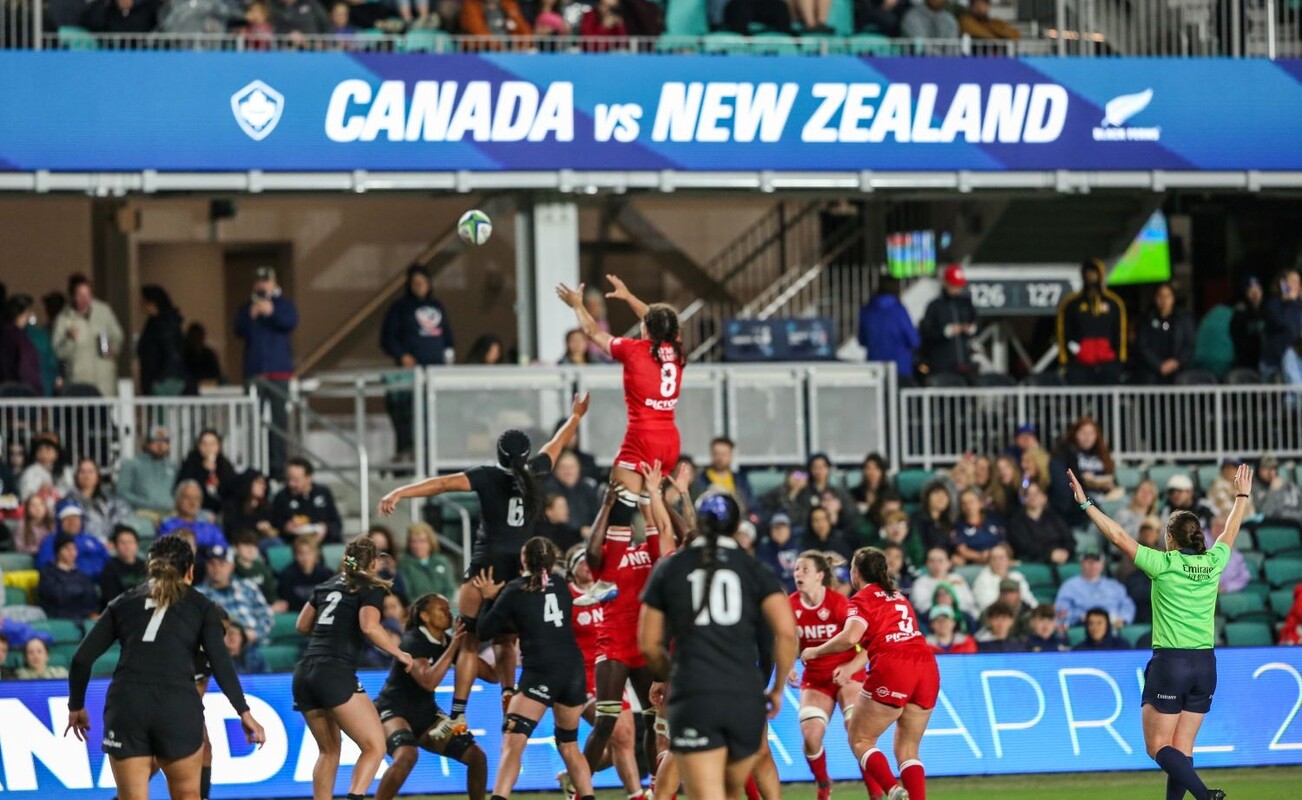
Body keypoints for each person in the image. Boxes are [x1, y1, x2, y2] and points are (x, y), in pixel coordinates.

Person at [377, 393, 588, 738]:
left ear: (500, 455)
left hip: (485, 567)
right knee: (507, 640)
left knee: (468, 640)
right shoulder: (536, 472)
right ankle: (509, 692)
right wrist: (576, 416)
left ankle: (458, 715)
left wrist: (400, 491)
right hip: (520, 570)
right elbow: (557, 444)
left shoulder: (487, 477)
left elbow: (441, 484)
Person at [1068, 463, 1252, 800]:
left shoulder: (1163, 564)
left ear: (1170, 538)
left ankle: (1205, 795)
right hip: (1205, 665)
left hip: (1171, 664)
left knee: (1157, 747)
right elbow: (1230, 531)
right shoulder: (1214, 563)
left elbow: (1119, 536)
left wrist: (1086, 503)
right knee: (1182, 749)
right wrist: (1242, 496)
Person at [65, 536, 265, 800]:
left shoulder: (123, 602)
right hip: (176, 705)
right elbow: (221, 661)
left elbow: (80, 660)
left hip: (127, 705)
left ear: (151, 568)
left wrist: (76, 706)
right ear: (190, 571)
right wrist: (243, 711)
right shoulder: (203, 607)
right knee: (187, 795)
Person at [640, 494, 797, 800]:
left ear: (698, 524)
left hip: (694, 693)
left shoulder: (671, 568)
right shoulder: (754, 569)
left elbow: (648, 642)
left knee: (707, 791)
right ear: (737, 526)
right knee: (733, 788)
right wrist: (777, 688)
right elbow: (786, 634)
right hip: (743, 692)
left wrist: (664, 676)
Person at [799, 547, 938, 800]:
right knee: (908, 750)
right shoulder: (898, 596)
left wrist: (815, 651)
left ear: (856, 572)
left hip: (895, 665)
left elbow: (851, 637)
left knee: (860, 739)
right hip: (927, 666)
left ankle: (892, 790)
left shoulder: (861, 599)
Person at [468, 536, 596, 800]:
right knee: (569, 745)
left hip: (541, 670)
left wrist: (489, 598)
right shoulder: (561, 585)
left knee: (513, 741)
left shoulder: (516, 589)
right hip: (573, 670)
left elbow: (484, 631)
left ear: (523, 559)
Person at [558, 275, 684, 535]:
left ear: (645, 328)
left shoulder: (633, 350)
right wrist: (629, 298)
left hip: (642, 437)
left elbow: (592, 332)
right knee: (651, 508)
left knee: (620, 507)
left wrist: (577, 305)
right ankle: (658, 558)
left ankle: (613, 563)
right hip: (669, 440)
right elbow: (659, 321)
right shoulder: (677, 349)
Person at [293, 536, 411, 800]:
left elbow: (301, 625)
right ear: (373, 563)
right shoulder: (371, 587)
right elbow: (369, 626)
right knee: (375, 746)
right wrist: (399, 653)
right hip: (334, 670)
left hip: (304, 672)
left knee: (328, 751)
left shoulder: (325, 585)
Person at [373, 593, 488, 800]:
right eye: (441, 609)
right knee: (407, 755)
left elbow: (492, 675)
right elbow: (428, 681)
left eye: (449, 608)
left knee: (477, 757)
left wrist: (477, 638)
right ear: (425, 616)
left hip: (426, 715)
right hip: (393, 709)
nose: (448, 613)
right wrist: (454, 646)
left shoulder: (448, 641)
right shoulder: (413, 640)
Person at [788, 551, 873, 800]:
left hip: (849, 675)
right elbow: (788, 641)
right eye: (796, 569)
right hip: (816, 679)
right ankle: (824, 784)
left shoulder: (839, 604)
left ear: (820, 576)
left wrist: (850, 668)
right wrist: (789, 665)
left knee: (856, 732)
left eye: (805, 569)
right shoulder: (791, 605)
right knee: (811, 737)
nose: (798, 574)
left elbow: (870, 645)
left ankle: (876, 793)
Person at [235, 266, 297, 479]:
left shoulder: (284, 305)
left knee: (280, 423)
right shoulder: (247, 307)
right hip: (255, 373)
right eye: (259, 281)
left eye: (266, 281)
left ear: (274, 283)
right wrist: (251, 315)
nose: (262, 285)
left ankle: (278, 468)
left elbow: (290, 322)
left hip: (279, 374)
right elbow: (238, 330)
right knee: (252, 421)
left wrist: (272, 312)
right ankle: (254, 466)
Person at [1057, 258, 1127, 385]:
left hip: (1108, 363)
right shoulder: (1071, 303)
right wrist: (1073, 354)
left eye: (1094, 273)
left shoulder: (1114, 303)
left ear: (1100, 275)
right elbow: (1063, 333)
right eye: (1088, 273)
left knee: (1108, 396)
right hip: (1079, 364)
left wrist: (1120, 359)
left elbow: (1120, 332)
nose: (1091, 276)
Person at [52, 273, 124, 397]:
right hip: (79, 380)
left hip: (105, 380)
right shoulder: (64, 318)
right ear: (72, 296)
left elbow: (117, 334)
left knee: (106, 407)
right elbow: (58, 351)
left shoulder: (104, 311)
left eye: (88, 294)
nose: (85, 299)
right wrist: (69, 339)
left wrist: (114, 348)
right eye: (80, 295)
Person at [198, 544, 274, 658]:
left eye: (221, 564)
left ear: (231, 566)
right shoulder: (198, 594)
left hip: (253, 643)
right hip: (219, 647)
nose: (216, 568)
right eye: (212, 564)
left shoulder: (248, 586)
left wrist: (254, 633)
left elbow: (267, 616)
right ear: (206, 566)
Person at [1055, 549, 1135, 628]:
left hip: (1112, 626)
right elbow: (1061, 611)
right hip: (1083, 627)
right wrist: (1078, 617)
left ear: (1102, 565)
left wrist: (1123, 619)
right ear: (1081, 564)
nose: (1092, 565)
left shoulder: (1114, 586)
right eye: (1089, 562)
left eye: (1096, 561)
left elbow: (1127, 605)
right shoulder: (1069, 586)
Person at [857, 278, 919, 378]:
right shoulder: (899, 311)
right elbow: (914, 340)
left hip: (875, 367)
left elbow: (862, 340)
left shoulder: (867, 311)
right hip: (900, 367)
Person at [1135, 283, 1196, 384]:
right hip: (1152, 372)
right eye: (1161, 296)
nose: (1164, 300)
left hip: (1178, 371)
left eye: (1168, 296)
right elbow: (1143, 346)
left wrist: (1176, 362)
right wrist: (1158, 365)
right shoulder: (1147, 320)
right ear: (1156, 298)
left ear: (1173, 298)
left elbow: (1190, 344)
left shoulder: (1183, 319)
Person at [271, 458, 343, 545]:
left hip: (324, 543)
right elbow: (275, 525)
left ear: (309, 478)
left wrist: (326, 528)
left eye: (296, 480)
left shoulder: (322, 492)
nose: (291, 484)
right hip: (294, 545)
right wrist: (286, 527)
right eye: (288, 479)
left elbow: (336, 524)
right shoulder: (282, 496)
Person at [117, 426, 179, 520]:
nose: (160, 445)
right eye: (156, 440)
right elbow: (122, 492)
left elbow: (179, 491)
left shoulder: (172, 466)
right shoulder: (132, 464)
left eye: (165, 441)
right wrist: (146, 503)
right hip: (142, 512)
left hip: (170, 513)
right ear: (147, 443)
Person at [37, 500, 110, 579]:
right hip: (66, 582)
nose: (73, 523)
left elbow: (105, 560)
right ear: (60, 522)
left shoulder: (92, 540)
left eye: (76, 518)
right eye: (68, 519)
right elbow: (45, 567)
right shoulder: (51, 542)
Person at [1008, 481, 1074, 565]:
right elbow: (1024, 547)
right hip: (1032, 563)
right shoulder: (1016, 522)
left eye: (1036, 494)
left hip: (1062, 561)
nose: (1032, 497)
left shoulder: (1055, 518)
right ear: (1024, 499)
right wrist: (1050, 554)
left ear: (1044, 497)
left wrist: (1066, 552)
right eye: (1028, 494)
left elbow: (1069, 540)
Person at [38, 532, 100, 621]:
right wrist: (79, 592)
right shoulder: (47, 573)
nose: (72, 552)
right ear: (58, 551)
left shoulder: (81, 575)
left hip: (83, 618)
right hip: (58, 619)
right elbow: (57, 596)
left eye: (74, 548)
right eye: (67, 548)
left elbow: (91, 597)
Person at [137, 285, 186, 396]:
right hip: (153, 379)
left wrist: (162, 380)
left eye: (144, 301)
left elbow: (172, 353)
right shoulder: (153, 323)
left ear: (152, 303)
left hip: (162, 382)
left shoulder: (165, 324)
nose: (141, 304)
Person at [66, 458, 130, 542]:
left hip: (108, 543)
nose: (86, 475)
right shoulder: (68, 501)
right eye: (82, 471)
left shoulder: (110, 501)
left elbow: (122, 520)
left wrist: (113, 540)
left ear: (97, 477)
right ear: (76, 476)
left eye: (90, 472)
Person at [796, 453, 863, 532]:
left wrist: (836, 512)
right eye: (815, 467)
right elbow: (801, 517)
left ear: (828, 469)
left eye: (822, 467)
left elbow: (851, 514)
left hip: (838, 531)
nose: (819, 470)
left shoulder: (839, 492)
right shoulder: (804, 493)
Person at [178, 429, 238, 517]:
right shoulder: (190, 464)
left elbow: (230, 492)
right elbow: (186, 487)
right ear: (199, 446)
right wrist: (205, 471)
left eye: (212, 444)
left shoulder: (225, 466)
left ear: (218, 446)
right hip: (198, 509)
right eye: (204, 444)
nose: (208, 448)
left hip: (220, 510)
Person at [1055, 415, 1117, 498]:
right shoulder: (1067, 453)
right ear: (1075, 434)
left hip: (1105, 496)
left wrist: (1110, 485)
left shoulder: (1103, 454)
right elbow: (1062, 479)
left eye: (1091, 433)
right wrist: (1082, 477)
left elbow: (1112, 477)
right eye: (1083, 433)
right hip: (1081, 496)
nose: (1087, 437)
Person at [911, 546, 978, 619]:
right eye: (932, 561)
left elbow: (969, 601)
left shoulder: (957, 578)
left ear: (948, 563)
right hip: (934, 618)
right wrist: (942, 603)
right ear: (927, 564)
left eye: (940, 561)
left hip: (960, 615)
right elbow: (922, 607)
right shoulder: (920, 582)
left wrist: (953, 605)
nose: (936, 564)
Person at [545, 450, 601, 537]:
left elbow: (597, 515)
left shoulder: (588, 489)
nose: (568, 471)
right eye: (564, 467)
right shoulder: (548, 490)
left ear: (579, 469)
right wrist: (579, 532)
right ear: (556, 470)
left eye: (571, 467)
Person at [158, 481, 228, 550]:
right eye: (188, 497)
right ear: (178, 500)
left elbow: (224, 549)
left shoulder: (210, 528)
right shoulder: (167, 526)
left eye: (197, 498)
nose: (193, 502)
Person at [397, 522, 458, 601]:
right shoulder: (404, 563)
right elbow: (407, 593)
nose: (417, 545)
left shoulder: (442, 562)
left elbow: (449, 589)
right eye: (413, 541)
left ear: (431, 542)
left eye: (422, 541)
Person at [693, 436, 756, 511]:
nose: (720, 458)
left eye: (724, 454)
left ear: (731, 455)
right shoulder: (700, 480)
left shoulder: (741, 480)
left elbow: (751, 504)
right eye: (716, 454)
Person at [971, 543, 1036, 611]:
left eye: (1001, 558)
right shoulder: (983, 579)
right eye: (993, 558)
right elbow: (986, 606)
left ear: (1009, 561)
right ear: (989, 562)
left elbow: (1029, 599)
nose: (997, 562)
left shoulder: (1017, 577)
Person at [1262, 268, 1302, 379]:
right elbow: (1282, 323)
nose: (1295, 285)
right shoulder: (1273, 305)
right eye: (1292, 281)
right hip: (1276, 363)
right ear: (1283, 284)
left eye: (1298, 282)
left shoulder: (1298, 305)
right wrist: (1288, 301)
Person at [277, 537, 335, 613]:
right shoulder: (286, 575)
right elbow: (287, 601)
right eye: (301, 554)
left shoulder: (326, 574)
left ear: (316, 553)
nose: (305, 558)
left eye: (309, 553)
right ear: (295, 555)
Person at [224, 470, 279, 550]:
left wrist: (268, 529)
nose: (263, 486)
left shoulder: (266, 507)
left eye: (264, 483)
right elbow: (233, 528)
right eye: (259, 483)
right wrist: (256, 526)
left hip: (261, 542)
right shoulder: (234, 506)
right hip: (241, 543)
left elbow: (275, 527)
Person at [0, 294, 43, 394]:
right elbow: (26, 367)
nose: (29, 316)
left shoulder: (19, 335)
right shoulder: (15, 337)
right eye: (27, 312)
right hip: (20, 393)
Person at [951, 488, 1004, 565]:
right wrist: (980, 556)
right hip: (973, 565)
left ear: (980, 503)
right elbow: (962, 550)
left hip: (998, 560)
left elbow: (1003, 543)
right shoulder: (958, 526)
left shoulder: (993, 520)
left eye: (971, 502)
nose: (968, 506)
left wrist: (995, 555)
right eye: (964, 503)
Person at [99, 525, 147, 608]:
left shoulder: (145, 566)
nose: (127, 546)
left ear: (137, 545)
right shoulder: (109, 569)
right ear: (115, 546)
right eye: (122, 543)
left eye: (130, 542)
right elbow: (112, 599)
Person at [231, 529, 279, 606]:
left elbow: (270, 594)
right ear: (235, 548)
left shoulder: (261, 567)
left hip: (264, 606)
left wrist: (274, 604)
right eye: (246, 545)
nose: (251, 549)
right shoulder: (230, 568)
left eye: (254, 546)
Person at [756, 512, 801, 592]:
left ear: (789, 530)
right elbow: (765, 575)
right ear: (770, 531)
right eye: (776, 528)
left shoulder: (798, 548)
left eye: (783, 528)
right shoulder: (764, 550)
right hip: (775, 592)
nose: (779, 531)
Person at [1230, 276, 1267, 372]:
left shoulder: (1268, 311)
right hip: (1246, 365)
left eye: (1258, 289)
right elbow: (1239, 342)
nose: (1255, 293)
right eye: (1251, 290)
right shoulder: (1240, 314)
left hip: (1265, 362)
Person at [19, 435, 72, 501]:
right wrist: (40, 489)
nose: (43, 453)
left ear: (57, 453)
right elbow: (25, 495)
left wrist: (54, 491)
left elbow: (70, 490)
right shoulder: (30, 472)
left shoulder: (66, 470)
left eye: (48, 449)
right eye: (40, 450)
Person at [1251, 455, 1302, 523]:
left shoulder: (1287, 484)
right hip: (1276, 525)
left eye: (1273, 468)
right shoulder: (1253, 489)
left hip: (1296, 521)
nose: (1271, 472)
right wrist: (1272, 491)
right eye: (1266, 468)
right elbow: (1264, 514)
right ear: (1258, 470)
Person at [911, 482, 956, 553]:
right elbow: (918, 545)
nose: (941, 498)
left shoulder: (949, 522)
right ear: (927, 497)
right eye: (937, 493)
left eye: (945, 495)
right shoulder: (917, 518)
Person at [182, 322, 223, 394]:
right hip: (189, 389)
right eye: (195, 336)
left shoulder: (208, 354)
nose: (197, 338)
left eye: (199, 335)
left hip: (209, 388)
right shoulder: (184, 354)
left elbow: (216, 373)